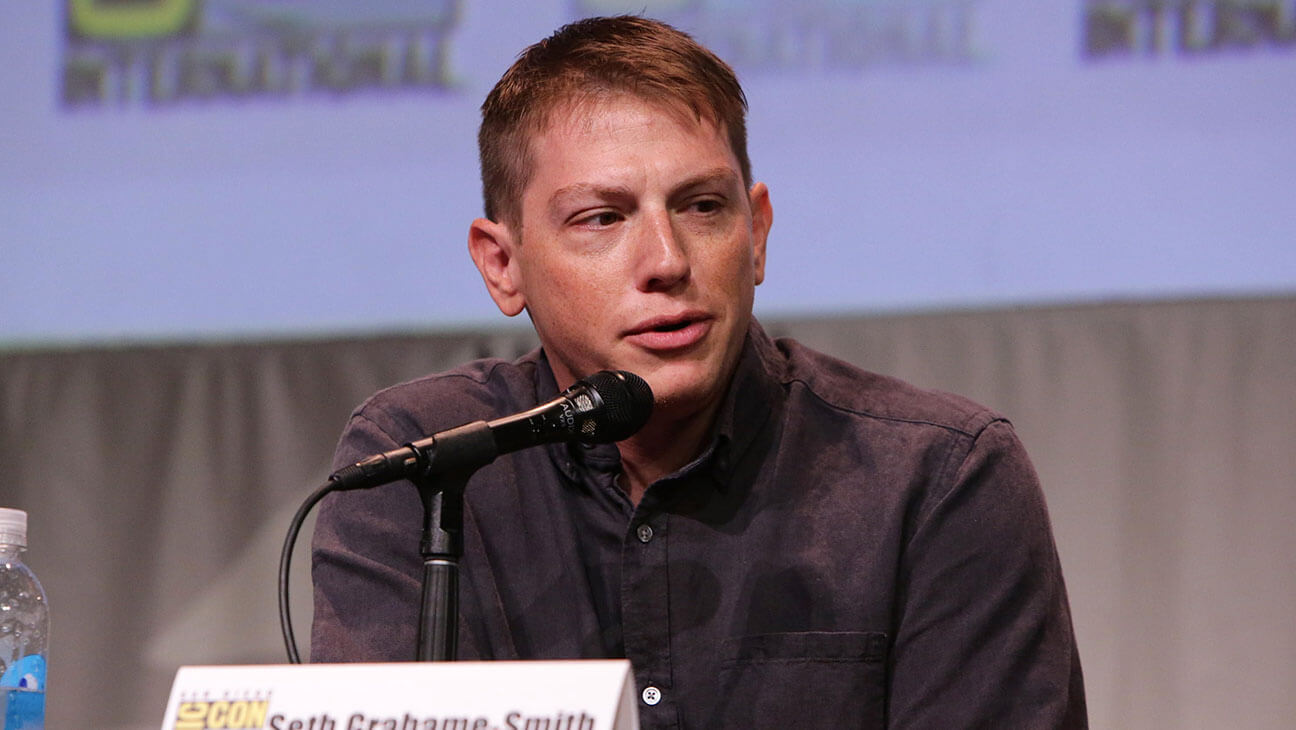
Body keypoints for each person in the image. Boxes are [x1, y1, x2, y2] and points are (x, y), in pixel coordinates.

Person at [311, 15, 1086, 728]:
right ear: (503, 264)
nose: (668, 261)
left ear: (756, 235)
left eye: (703, 207)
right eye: (603, 218)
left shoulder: (937, 477)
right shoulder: (420, 464)